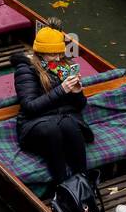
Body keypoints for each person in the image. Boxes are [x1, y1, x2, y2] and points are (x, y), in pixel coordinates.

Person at [11, 24, 93, 185]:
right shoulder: (25, 70)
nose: (57, 58)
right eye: (53, 54)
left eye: (60, 53)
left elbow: (80, 106)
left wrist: (77, 93)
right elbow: (30, 107)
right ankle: (62, 184)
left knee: (69, 124)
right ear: (40, 52)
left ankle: (83, 180)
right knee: (52, 129)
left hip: (63, 119)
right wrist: (62, 90)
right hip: (34, 123)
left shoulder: (64, 67)